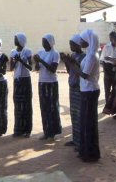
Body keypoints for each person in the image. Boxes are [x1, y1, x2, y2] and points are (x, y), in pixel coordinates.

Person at [63, 29, 101, 162]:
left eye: (83, 40)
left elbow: (85, 75)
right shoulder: (90, 54)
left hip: (90, 92)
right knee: (85, 122)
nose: (81, 42)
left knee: (89, 123)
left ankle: (91, 154)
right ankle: (85, 151)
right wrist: (70, 62)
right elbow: (81, 71)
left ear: (89, 41)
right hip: (86, 91)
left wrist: (71, 63)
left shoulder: (91, 56)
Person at [34, 34, 62, 141]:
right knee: (44, 108)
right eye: (42, 41)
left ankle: (53, 132)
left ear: (50, 42)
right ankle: (46, 131)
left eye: (45, 41)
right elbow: (37, 69)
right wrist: (37, 62)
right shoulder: (41, 52)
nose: (43, 43)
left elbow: (53, 69)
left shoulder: (55, 54)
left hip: (51, 83)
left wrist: (41, 61)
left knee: (52, 107)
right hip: (42, 82)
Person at [61, 35, 86, 149]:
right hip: (72, 87)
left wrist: (71, 62)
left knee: (80, 114)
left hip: (79, 87)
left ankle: (80, 142)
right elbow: (69, 70)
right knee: (74, 113)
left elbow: (79, 72)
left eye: (72, 44)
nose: (70, 46)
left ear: (78, 45)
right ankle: (75, 139)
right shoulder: (73, 55)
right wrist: (66, 61)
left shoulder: (84, 57)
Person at [10, 33, 33, 138]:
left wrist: (21, 61)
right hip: (17, 80)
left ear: (20, 40)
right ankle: (18, 129)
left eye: (16, 39)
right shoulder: (13, 52)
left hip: (25, 79)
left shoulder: (28, 51)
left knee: (27, 105)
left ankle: (27, 130)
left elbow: (31, 67)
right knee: (18, 105)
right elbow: (11, 68)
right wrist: (15, 61)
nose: (14, 40)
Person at [100, 32, 116, 104]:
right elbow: (103, 60)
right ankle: (108, 105)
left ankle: (114, 105)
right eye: (110, 38)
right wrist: (105, 71)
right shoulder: (106, 47)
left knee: (115, 89)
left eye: (112, 38)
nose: (111, 40)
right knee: (107, 89)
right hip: (107, 69)